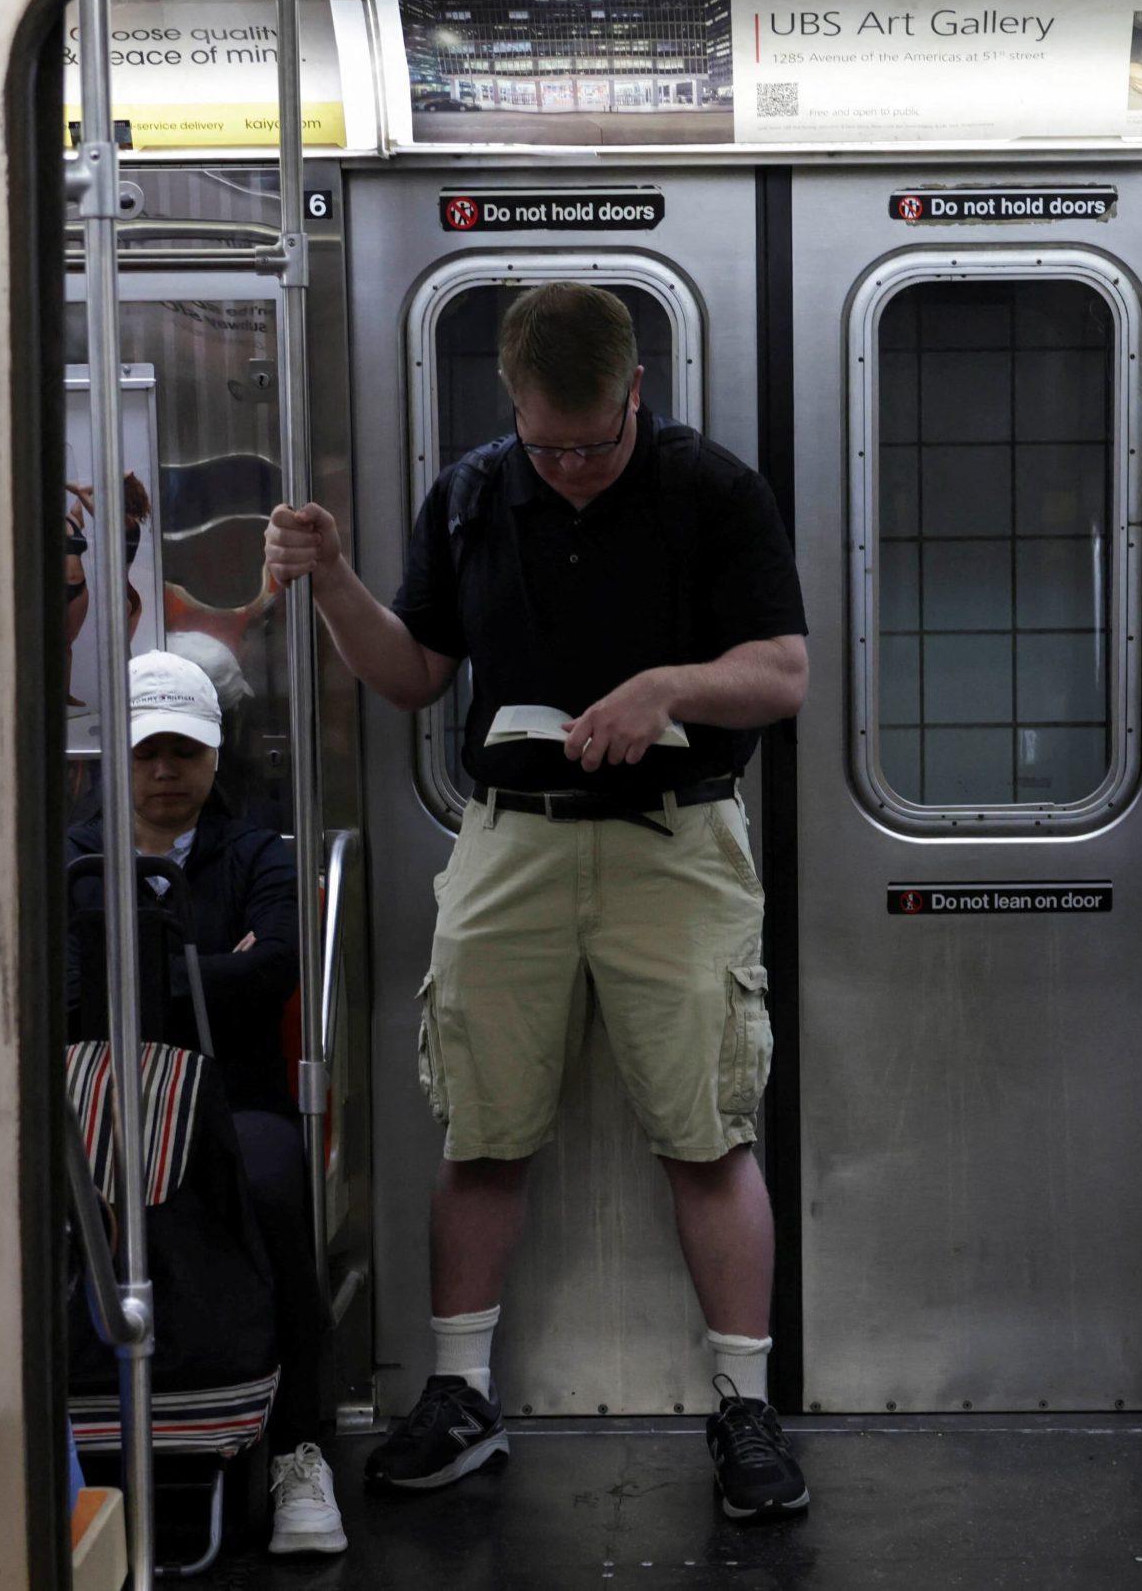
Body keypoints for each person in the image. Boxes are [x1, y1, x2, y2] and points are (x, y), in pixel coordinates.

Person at [264, 281, 814, 1522]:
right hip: (510, 840)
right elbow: (410, 675)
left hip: (674, 845)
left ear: (635, 396)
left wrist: (662, 690)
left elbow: (781, 672)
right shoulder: (470, 493)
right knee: (481, 1125)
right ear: (510, 407)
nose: (569, 469)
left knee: (706, 1128)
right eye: (545, 445)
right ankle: (461, 1395)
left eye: (593, 444)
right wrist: (337, 580)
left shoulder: (708, 488)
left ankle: (742, 1404)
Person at [67, 651, 345, 1557]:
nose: (164, 773)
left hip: (233, 1100)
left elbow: (275, 972)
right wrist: (206, 972)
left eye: (183, 753)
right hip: (88, 1100)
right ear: (120, 761)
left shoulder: (260, 853)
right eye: (147, 753)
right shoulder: (69, 853)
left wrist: (139, 979)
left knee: (269, 1193)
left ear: (215, 757)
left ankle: (299, 1450)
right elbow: (58, 987)